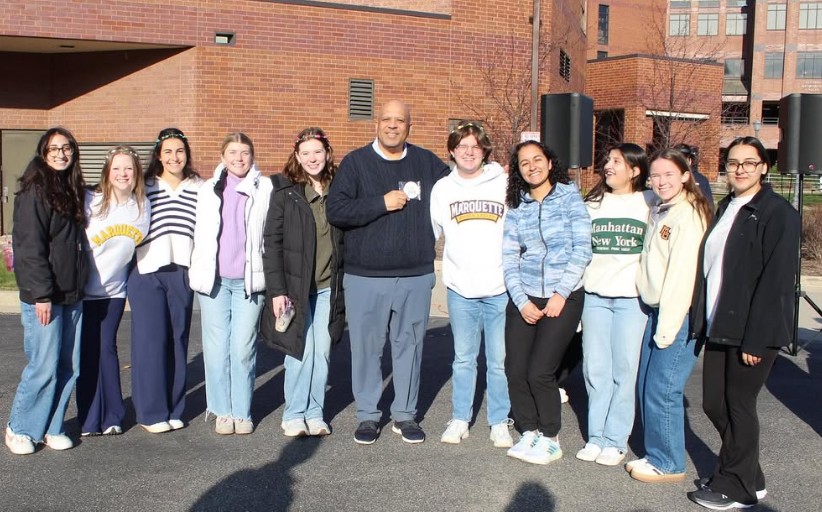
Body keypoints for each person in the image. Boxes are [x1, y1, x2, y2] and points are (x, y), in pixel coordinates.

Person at [326, 100, 449, 445]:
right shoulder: (355, 163)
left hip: (414, 275)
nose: (392, 125)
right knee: (366, 349)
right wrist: (380, 203)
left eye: (399, 121)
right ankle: (367, 415)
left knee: (410, 346)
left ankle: (405, 415)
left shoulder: (427, 163)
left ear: (410, 127)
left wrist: (492, 173)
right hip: (365, 277)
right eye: (386, 119)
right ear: (376, 124)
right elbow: (337, 210)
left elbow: (460, 186)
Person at [687, 137, 800, 510]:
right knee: (714, 405)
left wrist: (756, 340)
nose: (740, 169)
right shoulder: (727, 206)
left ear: (764, 167)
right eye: (733, 162)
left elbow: (776, 282)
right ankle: (750, 474)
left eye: (749, 163)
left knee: (738, 404)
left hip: (752, 330)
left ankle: (737, 488)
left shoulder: (777, 213)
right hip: (721, 322)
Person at [502, 141, 592, 465]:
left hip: (563, 295)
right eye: (524, 162)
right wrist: (521, 300)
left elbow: (582, 249)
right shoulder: (517, 204)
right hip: (526, 294)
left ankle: (550, 436)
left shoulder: (569, 197)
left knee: (540, 371)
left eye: (537, 159)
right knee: (515, 369)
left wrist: (561, 293)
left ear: (550, 163)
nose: (532, 166)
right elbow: (509, 257)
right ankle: (529, 430)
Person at [627, 149, 712, 483]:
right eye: (655, 175)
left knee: (663, 389)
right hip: (657, 310)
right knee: (646, 385)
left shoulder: (688, 215)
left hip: (677, 315)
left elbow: (681, 278)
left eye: (668, 175)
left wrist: (667, 330)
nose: (660, 181)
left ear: (686, 176)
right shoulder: (663, 209)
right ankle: (656, 453)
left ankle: (668, 462)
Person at [5, 127, 88, 455]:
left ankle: (52, 426)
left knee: (69, 366)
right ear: (43, 152)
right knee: (43, 366)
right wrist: (41, 294)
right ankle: (20, 428)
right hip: (46, 297)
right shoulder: (35, 189)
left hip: (71, 293)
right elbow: (29, 246)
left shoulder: (70, 186)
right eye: (54, 148)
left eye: (66, 148)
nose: (61, 154)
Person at [429, 121, 512, 448]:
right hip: (461, 288)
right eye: (462, 146)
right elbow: (431, 233)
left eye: (475, 146)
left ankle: (499, 421)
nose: (468, 152)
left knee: (499, 361)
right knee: (463, 358)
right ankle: (460, 418)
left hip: (500, 287)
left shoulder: (503, 183)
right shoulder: (442, 189)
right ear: (452, 151)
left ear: (484, 151)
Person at [261, 127, 345, 438]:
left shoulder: (339, 189)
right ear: (297, 156)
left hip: (327, 287)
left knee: (321, 351)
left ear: (327, 153)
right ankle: (294, 414)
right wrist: (277, 291)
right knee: (300, 350)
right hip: (295, 289)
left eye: (317, 152)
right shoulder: (285, 192)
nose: (312, 158)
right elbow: (272, 243)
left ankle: (315, 413)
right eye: (306, 153)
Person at [576, 143, 653, 466]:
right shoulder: (592, 203)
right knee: (595, 369)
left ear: (635, 170)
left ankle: (615, 439)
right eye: (608, 160)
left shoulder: (650, 202)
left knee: (624, 370)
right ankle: (596, 436)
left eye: (617, 162)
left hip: (631, 301)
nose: (608, 165)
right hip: (595, 297)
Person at [189, 133, 271, 435]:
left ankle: (242, 411)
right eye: (233, 152)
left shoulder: (265, 188)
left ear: (252, 156)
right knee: (216, 349)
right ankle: (222, 410)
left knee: (243, 348)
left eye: (245, 152)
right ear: (222, 156)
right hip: (215, 282)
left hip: (249, 281)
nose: (239, 158)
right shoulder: (207, 189)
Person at [128, 128, 201, 434]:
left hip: (182, 272)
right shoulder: (143, 186)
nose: (174, 157)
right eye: (168, 151)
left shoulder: (199, 187)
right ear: (158, 155)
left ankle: (174, 408)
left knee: (177, 340)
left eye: (180, 151)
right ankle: (150, 412)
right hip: (147, 271)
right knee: (150, 342)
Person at [77, 146, 150, 437]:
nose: (123, 174)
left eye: (128, 168)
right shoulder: (91, 201)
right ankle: (89, 419)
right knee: (87, 351)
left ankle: (112, 416)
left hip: (114, 292)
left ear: (137, 173)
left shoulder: (142, 206)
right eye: (117, 168)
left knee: (107, 349)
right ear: (107, 172)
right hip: (84, 292)